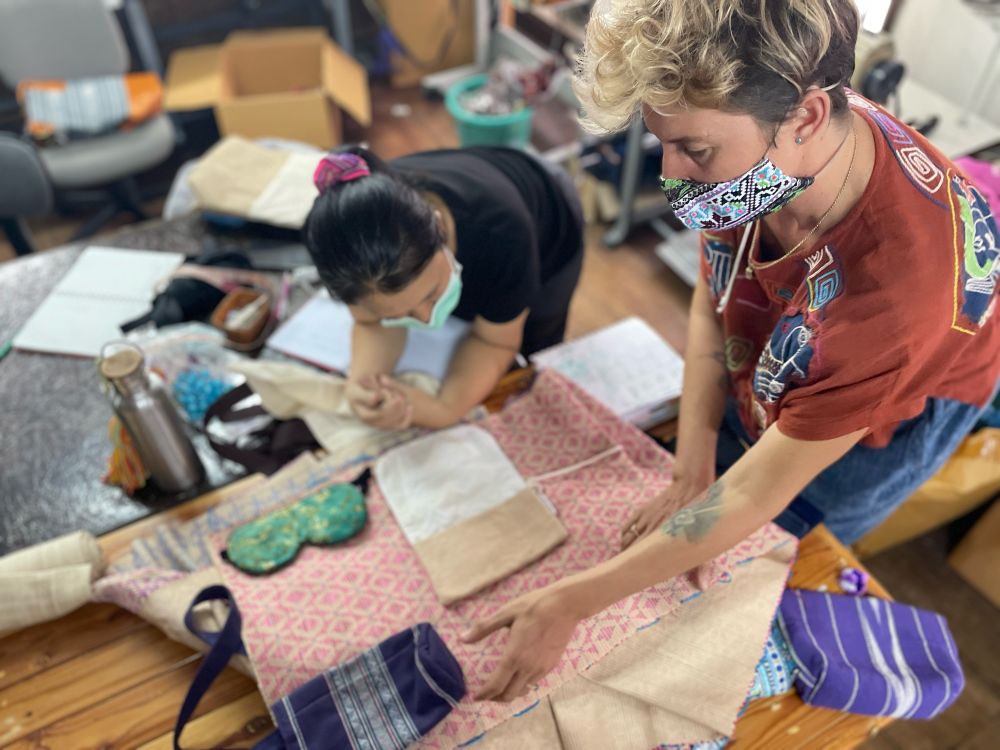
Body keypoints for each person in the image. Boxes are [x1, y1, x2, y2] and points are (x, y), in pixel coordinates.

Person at [462, 0, 1000, 702]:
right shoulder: (768, 145)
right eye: (662, 143)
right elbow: (715, 299)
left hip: (903, 398)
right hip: (824, 329)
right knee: (716, 497)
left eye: (694, 150)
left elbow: (753, 491)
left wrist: (571, 601)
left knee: (779, 549)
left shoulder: (896, 301)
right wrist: (692, 467)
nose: (673, 174)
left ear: (807, 118)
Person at [303, 145, 584, 430]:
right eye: (399, 314)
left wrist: (445, 409)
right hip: (475, 181)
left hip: (548, 211)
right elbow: (371, 323)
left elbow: (496, 342)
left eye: (431, 294)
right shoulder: (354, 262)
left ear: (438, 226)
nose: (427, 320)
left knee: (534, 358)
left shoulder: (502, 235)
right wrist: (363, 384)